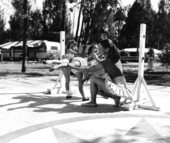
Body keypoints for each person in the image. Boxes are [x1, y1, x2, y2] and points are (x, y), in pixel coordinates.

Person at [68, 39, 129, 107]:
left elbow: (88, 69)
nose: (98, 50)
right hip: (120, 87)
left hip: (118, 89)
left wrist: (72, 66)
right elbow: (99, 71)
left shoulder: (107, 61)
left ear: (107, 49)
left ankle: (93, 102)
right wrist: (88, 76)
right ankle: (116, 99)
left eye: (100, 48)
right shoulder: (113, 58)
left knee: (94, 79)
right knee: (98, 81)